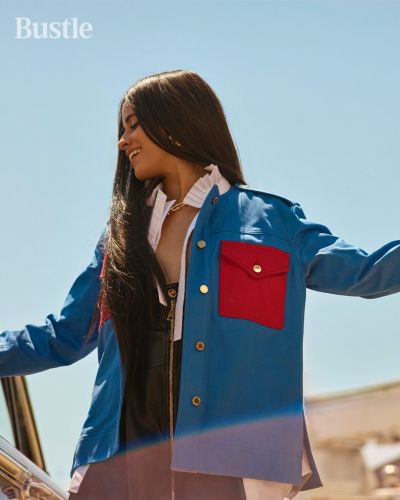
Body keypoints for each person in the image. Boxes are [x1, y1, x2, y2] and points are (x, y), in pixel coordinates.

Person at [0, 69, 399, 500]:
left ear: (174, 121)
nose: (123, 141)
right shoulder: (120, 238)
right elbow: (63, 334)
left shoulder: (272, 222)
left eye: (133, 125)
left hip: (228, 459)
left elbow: (365, 270)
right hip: (120, 455)